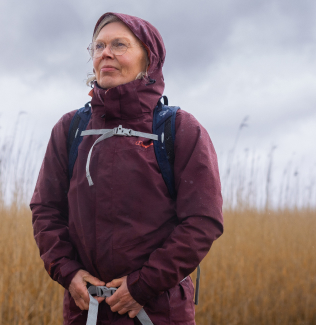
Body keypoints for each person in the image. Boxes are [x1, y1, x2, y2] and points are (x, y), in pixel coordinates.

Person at [30, 12, 223, 325]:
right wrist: (68, 272)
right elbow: (46, 210)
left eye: (119, 45)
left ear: (149, 58)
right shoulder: (71, 129)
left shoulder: (179, 129)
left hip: (160, 313)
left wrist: (143, 285)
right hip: (86, 311)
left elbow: (202, 221)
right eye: (99, 46)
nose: (105, 53)